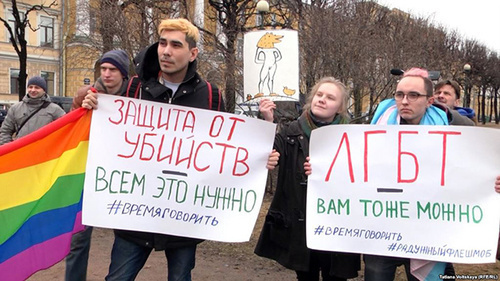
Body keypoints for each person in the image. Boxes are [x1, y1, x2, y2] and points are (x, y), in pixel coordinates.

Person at [82, 18, 225, 281]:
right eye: (162, 43)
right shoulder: (134, 89)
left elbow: (226, 150)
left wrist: (259, 158)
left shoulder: (211, 96)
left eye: (175, 45)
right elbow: (109, 138)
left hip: (184, 221)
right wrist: (92, 109)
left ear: (193, 53)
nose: (166, 51)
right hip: (135, 219)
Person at [254, 77, 360, 281]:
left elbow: (363, 174)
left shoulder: (352, 136)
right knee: (305, 276)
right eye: (319, 95)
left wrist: (331, 171)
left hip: (337, 223)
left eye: (330, 97)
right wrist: (268, 120)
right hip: (300, 223)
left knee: (335, 276)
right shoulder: (292, 131)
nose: (322, 100)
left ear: (340, 107)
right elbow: (266, 150)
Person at [65, 49, 130, 281]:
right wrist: (83, 109)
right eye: (103, 69)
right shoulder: (86, 93)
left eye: (112, 70)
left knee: (126, 240)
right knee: (78, 239)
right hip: (89, 174)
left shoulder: (135, 97)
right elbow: (71, 129)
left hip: (122, 178)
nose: (107, 74)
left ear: (123, 74)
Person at [0, 76, 65, 145]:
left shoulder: (55, 110)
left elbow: (66, 128)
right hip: (21, 151)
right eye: (30, 87)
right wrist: (8, 149)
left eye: (37, 87)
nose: (33, 90)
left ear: (44, 90)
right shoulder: (15, 108)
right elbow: (5, 131)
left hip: (45, 153)